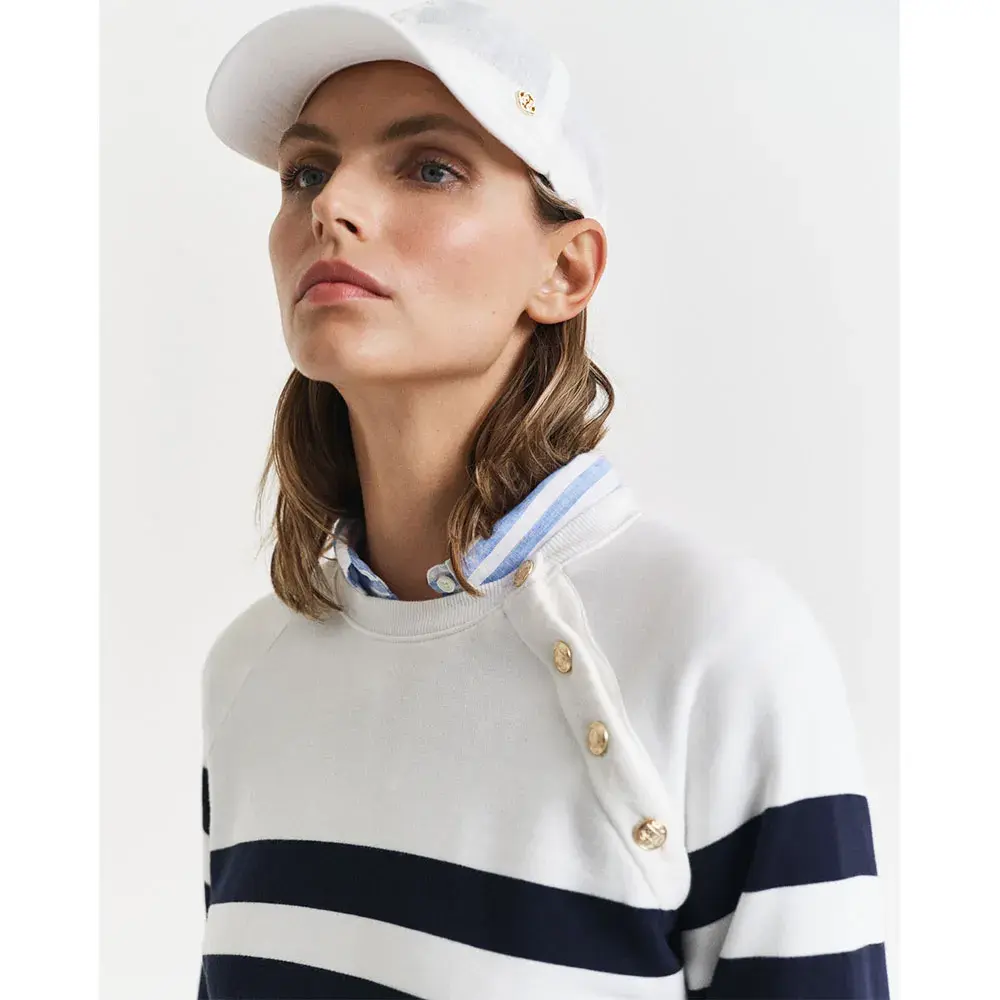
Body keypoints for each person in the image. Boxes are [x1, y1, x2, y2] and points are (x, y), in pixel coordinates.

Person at [198, 2, 891, 998]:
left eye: (428, 167)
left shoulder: (716, 652)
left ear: (566, 270)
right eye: (306, 171)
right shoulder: (249, 674)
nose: (331, 205)